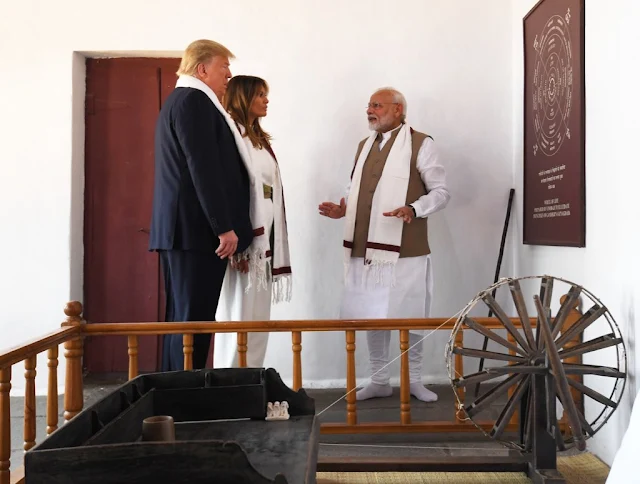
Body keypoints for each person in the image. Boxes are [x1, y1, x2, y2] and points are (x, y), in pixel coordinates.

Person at [319, 87, 450, 402]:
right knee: (371, 313)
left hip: (407, 249)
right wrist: (343, 209)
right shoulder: (364, 147)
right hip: (365, 250)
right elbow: (354, 189)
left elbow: (441, 192)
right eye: (369, 105)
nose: (370, 110)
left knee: (410, 314)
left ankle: (415, 379)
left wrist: (414, 209)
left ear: (399, 110)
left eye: (377, 105)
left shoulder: (421, 144)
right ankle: (379, 379)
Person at [149, 39, 269, 371]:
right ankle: (183, 399)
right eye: (223, 67)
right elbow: (203, 168)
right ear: (202, 69)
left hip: (186, 232)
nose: (229, 74)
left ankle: (176, 393)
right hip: (196, 233)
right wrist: (224, 227)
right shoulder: (194, 102)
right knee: (193, 323)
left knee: (185, 321)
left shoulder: (184, 100)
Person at [213, 75, 292, 368]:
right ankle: (229, 380)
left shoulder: (257, 139)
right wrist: (241, 245)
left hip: (264, 244)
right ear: (244, 97)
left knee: (258, 318)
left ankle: (251, 377)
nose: (266, 100)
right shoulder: (232, 135)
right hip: (246, 244)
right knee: (238, 317)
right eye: (260, 94)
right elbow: (229, 190)